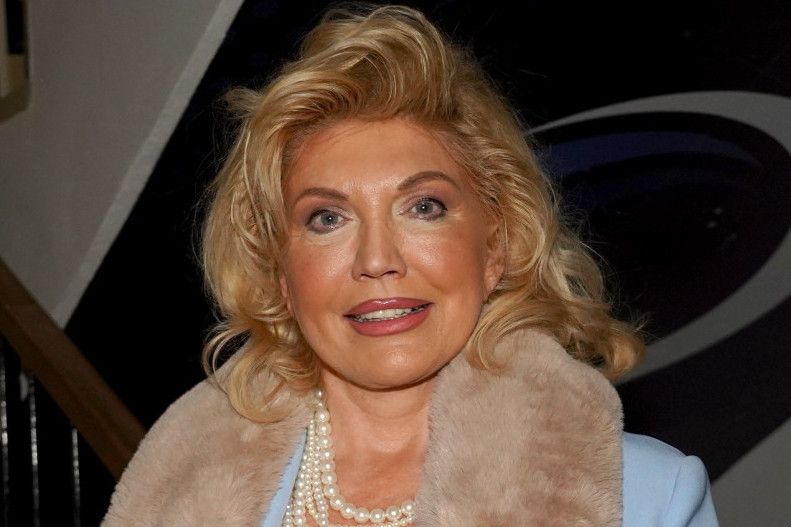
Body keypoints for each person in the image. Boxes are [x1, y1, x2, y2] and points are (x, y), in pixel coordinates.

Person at [101, 5, 718, 527]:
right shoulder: (170, 496)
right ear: (280, 273)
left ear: (496, 246)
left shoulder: (648, 497)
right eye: (327, 218)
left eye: (424, 207)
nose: (378, 261)